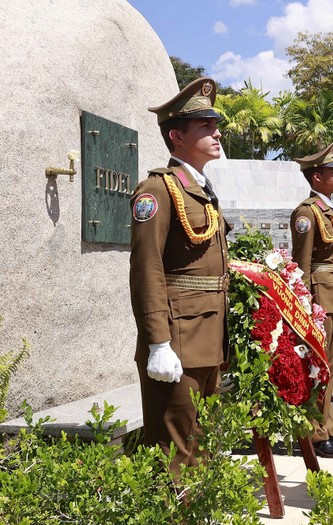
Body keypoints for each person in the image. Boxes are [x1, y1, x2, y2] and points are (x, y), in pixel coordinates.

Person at [129, 77, 229, 475]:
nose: (217, 133)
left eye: (215, 125)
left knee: (200, 449)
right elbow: (146, 266)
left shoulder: (200, 189)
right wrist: (158, 342)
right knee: (174, 455)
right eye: (205, 126)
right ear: (177, 135)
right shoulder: (158, 189)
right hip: (179, 340)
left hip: (208, 338)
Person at [290, 143, 333, 459]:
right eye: (332, 171)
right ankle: (314, 434)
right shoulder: (307, 213)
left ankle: (327, 427)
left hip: (332, 295)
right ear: (317, 177)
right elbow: (301, 263)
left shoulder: (326, 209)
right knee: (316, 367)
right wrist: (304, 305)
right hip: (318, 298)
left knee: (328, 367)